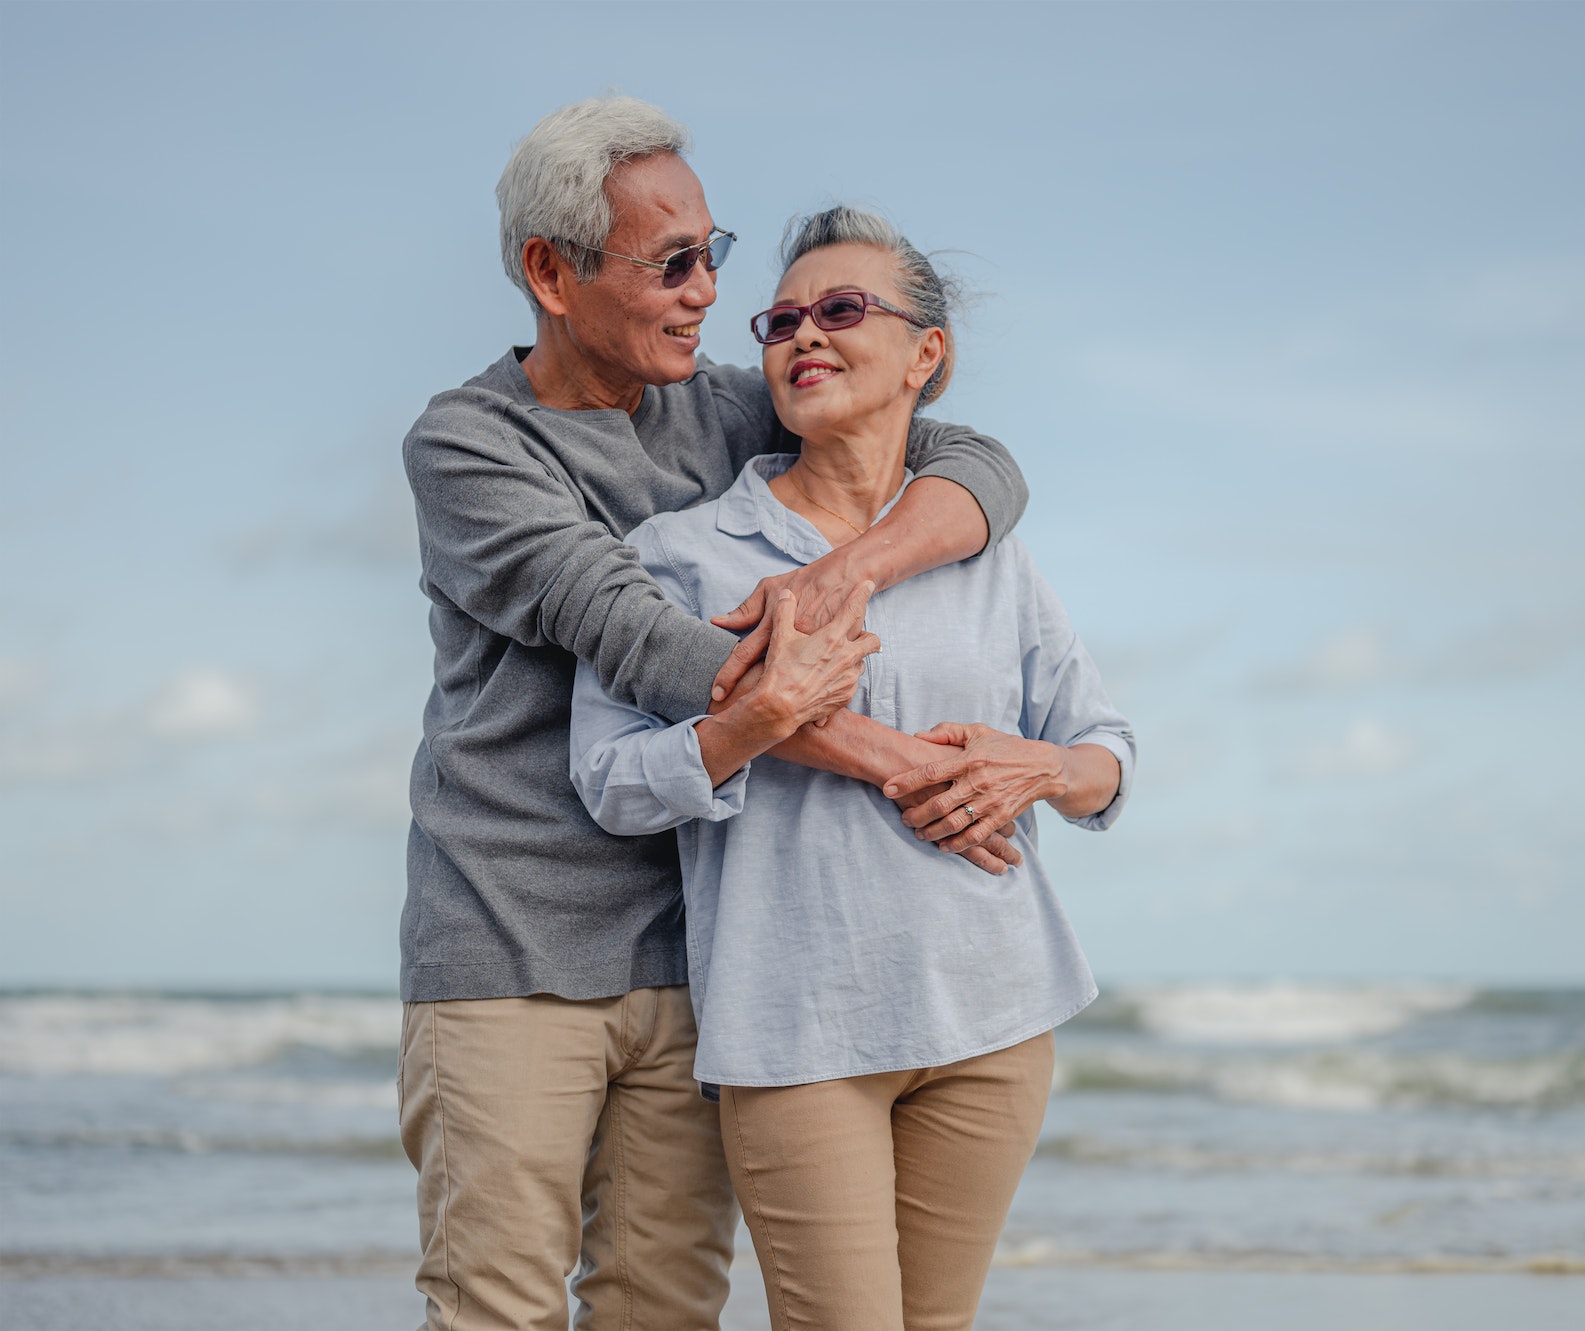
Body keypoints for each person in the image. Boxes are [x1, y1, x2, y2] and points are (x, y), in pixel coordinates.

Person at [396, 99, 1032, 1331]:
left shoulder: (729, 404)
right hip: (512, 947)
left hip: (704, 961)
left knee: (664, 1305)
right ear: (550, 271)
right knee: (496, 1307)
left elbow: (975, 462)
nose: (706, 293)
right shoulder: (470, 442)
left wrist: (851, 570)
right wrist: (901, 764)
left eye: (712, 254)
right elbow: (635, 636)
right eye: (669, 262)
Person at [569, 206, 1135, 1331]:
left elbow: (1106, 755)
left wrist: (1038, 769)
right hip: (797, 1031)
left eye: (838, 310)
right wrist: (750, 721)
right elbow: (610, 779)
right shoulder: (684, 556)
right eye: (778, 320)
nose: (799, 338)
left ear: (927, 354)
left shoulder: (987, 551)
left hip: (996, 1013)